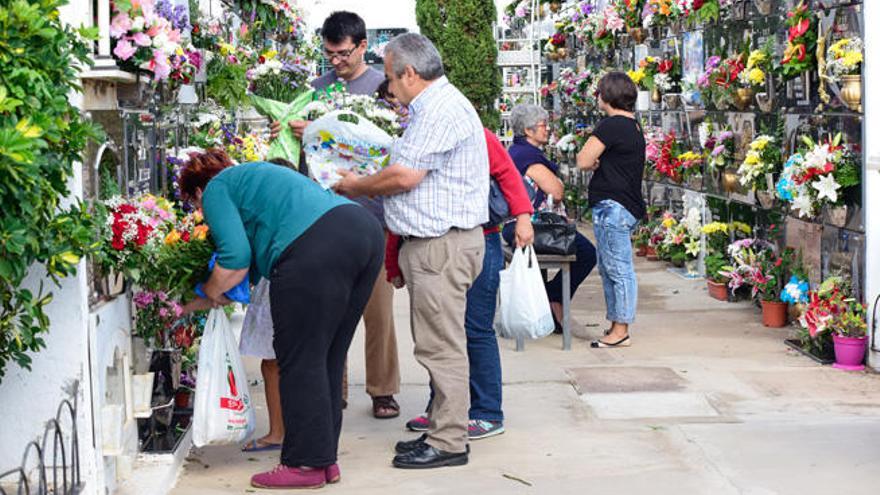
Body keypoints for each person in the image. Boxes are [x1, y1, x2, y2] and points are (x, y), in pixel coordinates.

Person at [179, 149, 383, 489]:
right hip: (362, 231)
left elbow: (234, 260)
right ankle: (323, 459)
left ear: (198, 191)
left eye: (194, 205)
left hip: (314, 247)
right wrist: (208, 299)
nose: (201, 213)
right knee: (327, 357)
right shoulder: (254, 183)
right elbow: (252, 272)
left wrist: (209, 291)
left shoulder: (217, 190)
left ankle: (303, 464)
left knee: (299, 360)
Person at [333, 33, 488, 469]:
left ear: (410, 74)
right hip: (433, 244)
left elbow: (404, 177)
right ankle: (441, 427)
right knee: (436, 342)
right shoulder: (430, 108)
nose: (388, 86)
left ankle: (449, 441)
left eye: (389, 77)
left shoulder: (439, 108)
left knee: (441, 347)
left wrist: (354, 185)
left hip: (442, 246)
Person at [270, 10, 402, 419]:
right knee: (328, 308)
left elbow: (392, 140)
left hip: (372, 212)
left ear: (363, 46)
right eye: (329, 54)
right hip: (322, 216)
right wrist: (286, 132)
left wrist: (320, 126)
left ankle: (383, 389)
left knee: (377, 311)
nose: (336, 61)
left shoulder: (385, 86)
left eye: (343, 53)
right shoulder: (315, 89)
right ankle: (334, 386)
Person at [396, 128, 534, 439]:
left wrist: (523, 217)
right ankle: (442, 409)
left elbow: (508, 174)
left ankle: (487, 411)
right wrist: (395, 260)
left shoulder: (474, 133)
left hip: (480, 240)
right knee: (439, 333)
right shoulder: (415, 136)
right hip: (432, 244)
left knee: (475, 328)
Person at [503, 104, 597, 334]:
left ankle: (551, 299)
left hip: (517, 224)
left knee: (582, 251)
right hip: (532, 226)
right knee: (587, 253)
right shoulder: (528, 157)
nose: (548, 130)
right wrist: (559, 184)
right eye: (543, 126)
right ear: (528, 131)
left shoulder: (517, 152)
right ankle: (553, 297)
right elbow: (556, 191)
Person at [575, 71, 646, 348]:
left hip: (612, 205)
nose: (598, 97)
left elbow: (583, 159)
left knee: (617, 268)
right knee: (611, 266)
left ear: (608, 96)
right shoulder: (632, 126)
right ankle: (617, 323)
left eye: (600, 92)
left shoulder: (611, 125)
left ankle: (621, 330)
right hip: (624, 203)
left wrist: (593, 162)